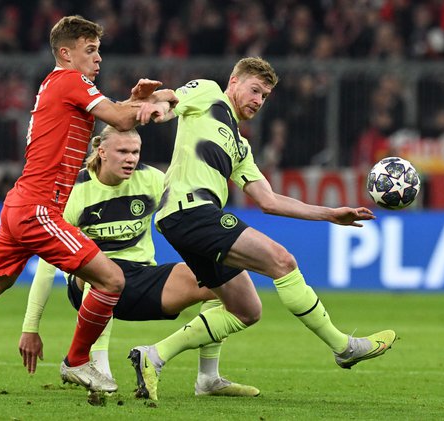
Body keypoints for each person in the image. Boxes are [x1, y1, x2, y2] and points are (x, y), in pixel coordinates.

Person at [0, 15, 175, 395]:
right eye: (90, 50)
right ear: (65, 53)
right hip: (39, 208)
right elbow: (119, 118)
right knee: (111, 278)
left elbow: (117, 113)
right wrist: (151, 103)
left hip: (21, 203)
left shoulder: (62, 86)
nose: (98, 58)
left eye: (99, 50)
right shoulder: (70, 80)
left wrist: (139, 102)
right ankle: (77, 361)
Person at [129, 57, 396, 400]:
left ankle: (157, 358)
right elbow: (172, 101)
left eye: (265, 96)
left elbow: (269, 200)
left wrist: (330, 214)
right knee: (282, 262)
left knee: (245, 309)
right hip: (190, 210)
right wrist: (155, 103)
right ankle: (343, 346)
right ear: (234, 81)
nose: (258, 100)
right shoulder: (208, 93)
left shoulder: (241, 147)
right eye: (254, 90)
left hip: (189, 219)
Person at [18, 125, 259, 397]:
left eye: (135, 151)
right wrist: (30, 328)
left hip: (141, 277)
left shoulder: (151, 179)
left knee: (219, 282)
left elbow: (188, 211)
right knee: (99, 273)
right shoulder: (76, 191)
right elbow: (48, 264)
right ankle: (98, 368)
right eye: (122, 151)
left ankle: (208, 378)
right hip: (89, 284)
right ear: (102, 152)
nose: (130, 158)